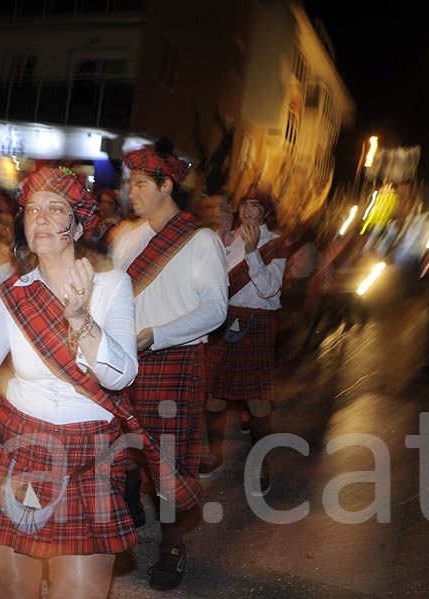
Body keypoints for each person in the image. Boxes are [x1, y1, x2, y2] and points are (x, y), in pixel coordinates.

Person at [0, 165, 146, 598]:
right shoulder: (14, 291)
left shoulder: (110, 285)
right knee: (13, 591)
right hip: (16, 443)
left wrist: (79, 319)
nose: (38, 217)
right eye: (32, 209)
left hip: (88, 451)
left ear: (77, 224)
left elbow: (121, 374)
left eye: (55, 209)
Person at [110, 140, 228, 591]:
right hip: (127, 359)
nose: (131, 192)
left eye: (140, 183)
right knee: (124, 446)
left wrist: (155, 334)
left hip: (173, 360)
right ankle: (131, 509)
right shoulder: (127, 236)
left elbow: (215, 310)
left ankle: (172, 547)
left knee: (171, 461)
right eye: (130, 183)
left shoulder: (201, 240)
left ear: (166, 184)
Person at [203, 185, 288, 496]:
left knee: (257, 400)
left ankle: (261, 463)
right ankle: (214, 453)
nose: (249, 211)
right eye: (245, 205)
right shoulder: (230, 236)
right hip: (225, 320)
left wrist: (252, 253)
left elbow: (268, 289)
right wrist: (220, 244)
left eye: (256, 207)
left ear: (266, 212)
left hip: (257, 322)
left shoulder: (275, 244)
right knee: (213, 393)